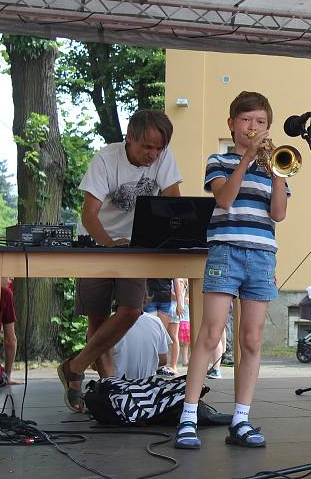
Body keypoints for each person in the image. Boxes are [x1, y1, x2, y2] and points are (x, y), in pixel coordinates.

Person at [175, 90, 289, 450]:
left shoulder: (274, 167)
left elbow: (279, 214)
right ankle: (188, 416)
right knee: (210, 335)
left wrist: (278, 172)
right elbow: (224, 199)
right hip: (226, 252)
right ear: (231, 124)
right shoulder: (219, 161)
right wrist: (247, 160)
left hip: (261, 256)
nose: (252, 128)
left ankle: (241, 419)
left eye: (260, 123)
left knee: (252, 340)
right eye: (245, 121)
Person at [57, 109, 182, 412]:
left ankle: (75, 366)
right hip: (99, 244)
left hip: (136, 248)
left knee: (131, 311)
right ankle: (110, 389)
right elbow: (89, 214)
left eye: (158, 148)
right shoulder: (106, 158)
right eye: (146, 148)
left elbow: (174, 203)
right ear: (129, 139)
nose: (153, 154)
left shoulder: (164, 157)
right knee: (98, 319)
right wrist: (110, 245)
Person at [111, 311, 173, 379]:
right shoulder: (156, 321)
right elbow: (163, 360)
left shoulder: (108, 322)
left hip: (117, 384)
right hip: (147, 385)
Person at [145, 278, 176, 376]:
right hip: (151, 297)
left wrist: (179, 301)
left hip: (165, 298)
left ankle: (161, 366)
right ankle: (150, 365)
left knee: (162, 333)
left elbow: (176, 279)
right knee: (151, 333)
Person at [0, 280, 22, 388]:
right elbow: (10, 341)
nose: (12, 278)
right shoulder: (4, 293)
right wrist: (8, 374)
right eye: (9, 273)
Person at [165, 278, 185, 375]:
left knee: (173, 337)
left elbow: (179, 294)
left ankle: (173, 365)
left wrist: (163, 292)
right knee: (170, 337)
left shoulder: (179, 279)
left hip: (173, 308)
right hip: (170, 307)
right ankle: (171, 364)